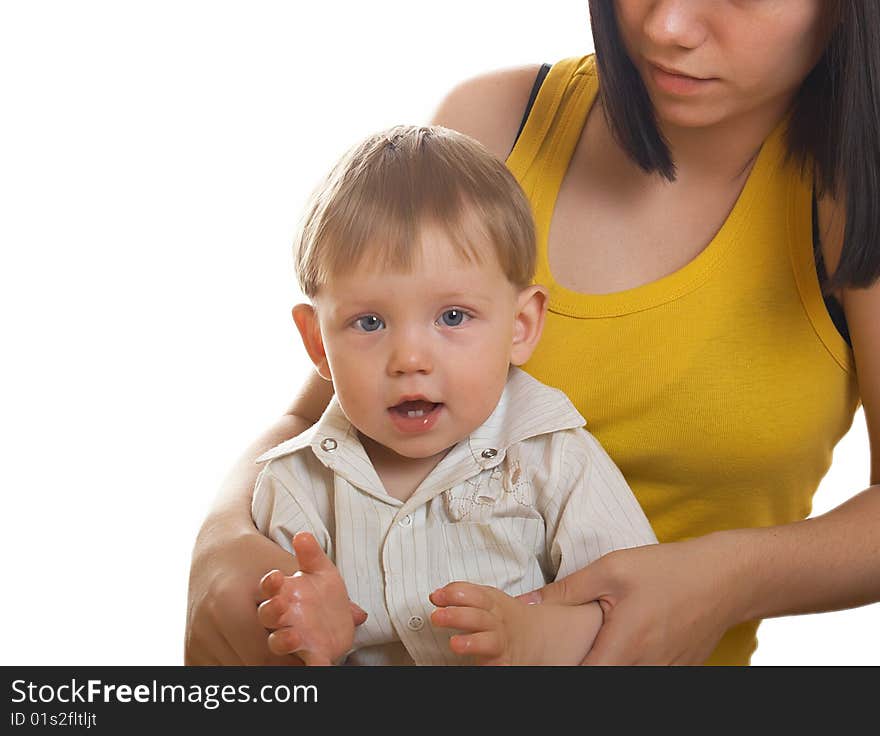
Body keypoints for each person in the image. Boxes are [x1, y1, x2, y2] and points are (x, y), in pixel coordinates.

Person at [185, 0, 880, 666]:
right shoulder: (491, 127)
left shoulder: (850, 195)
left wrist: (727, 578)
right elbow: (317, 420)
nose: (667, 25)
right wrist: (223, 539)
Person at [249, 125, 657, 665]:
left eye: (452, 317)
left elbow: (639, 609)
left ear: (520, 324)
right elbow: (233, 653)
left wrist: (538, 635)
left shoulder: (551, 458)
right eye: (369, 322)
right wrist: (299, 634)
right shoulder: (297, 486)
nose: (410, 359)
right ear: (316, 341)